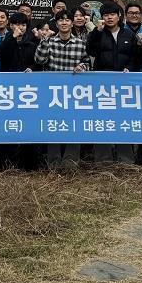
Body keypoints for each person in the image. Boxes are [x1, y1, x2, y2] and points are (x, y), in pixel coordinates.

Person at [86, 2, 142, 164]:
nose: (109, 18)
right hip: (103, 86)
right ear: (102, 18)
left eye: (112, 14)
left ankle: (125, 160)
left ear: (119, 16)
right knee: (103, 121)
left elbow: (138, 59)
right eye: (105, 15)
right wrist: (96, 33)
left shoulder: (128, 34)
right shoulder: (98, 33)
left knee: (124, 121)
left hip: (125, 86)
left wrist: (130, 66)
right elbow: (90, 51)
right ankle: (103, 160)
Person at [34, 9, 90, 170]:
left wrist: (83, 66)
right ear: (56, 23)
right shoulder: (50, 42)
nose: (64, 23)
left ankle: (71, 161)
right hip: (53, 93)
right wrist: (44, 40)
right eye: (61, 20)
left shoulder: (80, 43)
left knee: (74, 125)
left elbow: (88, 62)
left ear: (72, 23)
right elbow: (39, 60)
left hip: (75, 92)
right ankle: (53, 161)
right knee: (54, 125)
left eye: (67, 20)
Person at [0, 12, 40, 169]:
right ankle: (5, 163)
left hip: (28, 92)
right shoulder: (7, 42)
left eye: (23, 25)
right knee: (9, 125)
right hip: (8, 90)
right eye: (16, 24)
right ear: (10, 25)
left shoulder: (32, 44)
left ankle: (28, 164)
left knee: (28, 126)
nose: (20, 28)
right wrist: (12, 37)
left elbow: (38, 63)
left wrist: (32, 68)